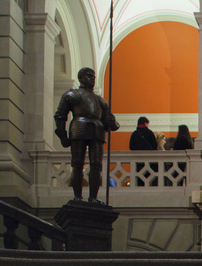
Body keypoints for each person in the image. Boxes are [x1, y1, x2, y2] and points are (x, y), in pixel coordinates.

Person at [54, 67, 119, 203]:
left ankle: (93, 197)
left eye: (93, 76)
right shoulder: (73, 94)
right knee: (77, 163)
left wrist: (112, 123)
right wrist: (62, 135)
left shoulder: (100, 101)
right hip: (80, 127)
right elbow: (60, 115)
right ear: (81, 78)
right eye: (89, 76)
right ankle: (77, 196)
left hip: (97, 130)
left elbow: (110, 122)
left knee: (96, 165)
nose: (92, 78)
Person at [128, 116, 158, 186]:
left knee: (139, 180)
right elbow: (154, 146)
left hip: (138, 161)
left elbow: (131, 147)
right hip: (149, 161)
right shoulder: (150, 133)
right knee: (150, 179)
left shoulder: (135, 133)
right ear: (145, 123)